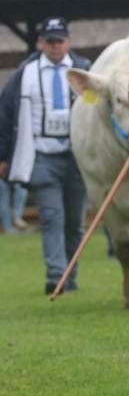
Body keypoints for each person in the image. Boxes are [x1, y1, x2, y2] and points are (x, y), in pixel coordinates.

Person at [0, 17, 91, 292]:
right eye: (49, 41)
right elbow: (5, 115)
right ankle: (55, 275)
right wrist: (3, 155)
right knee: (52, 217)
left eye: (59, 41)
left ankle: (69, 276)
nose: (54, 46)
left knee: (75, 223)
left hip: (77, 157)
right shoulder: (23, 74)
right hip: (42, 156)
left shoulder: (84, 70)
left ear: (68, 42)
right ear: (41, 43)